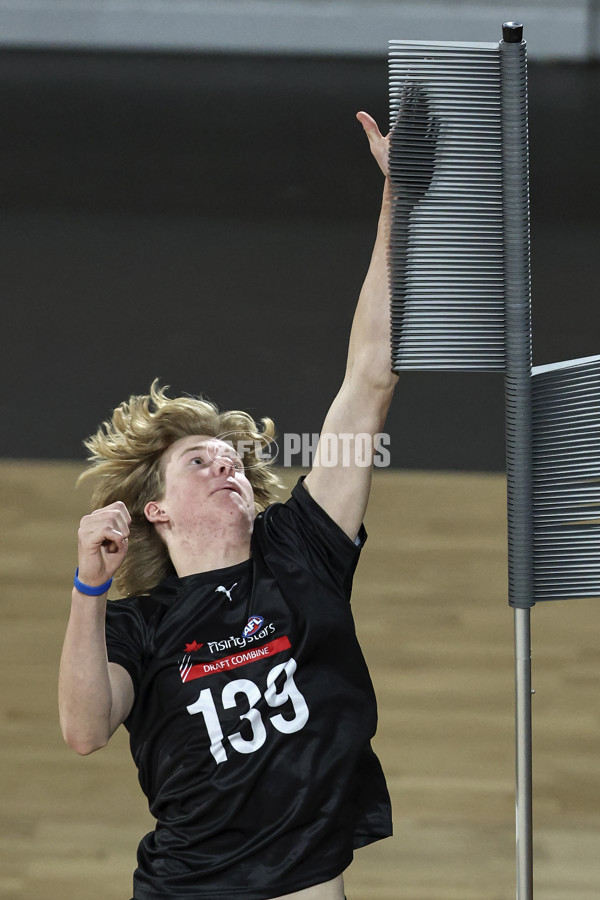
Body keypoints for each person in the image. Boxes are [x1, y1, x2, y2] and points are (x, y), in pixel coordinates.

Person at [58, 111, 397, 900]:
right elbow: (83, 731)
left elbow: (370, 379)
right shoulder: (138, 626)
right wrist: (87, 589)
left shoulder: (303, 548)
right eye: (198, 461)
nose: (227, 466)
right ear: (157, 511)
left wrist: (397, 197)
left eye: (233, 460)